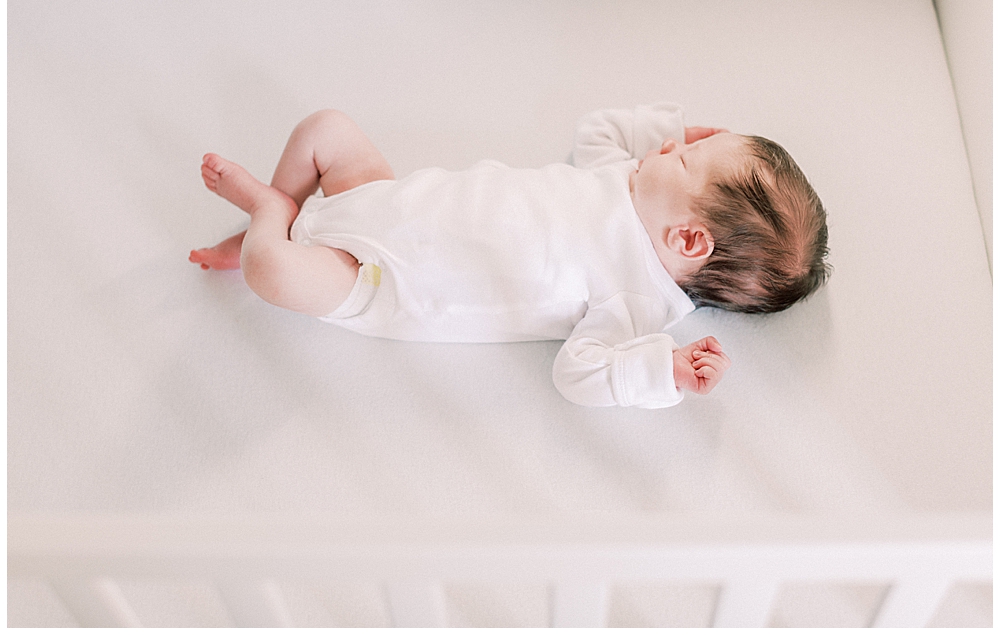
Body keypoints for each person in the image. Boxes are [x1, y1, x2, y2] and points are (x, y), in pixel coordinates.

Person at [190, 104, 830, 408]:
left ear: (688, 241)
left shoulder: (636, 302)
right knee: (324, 129)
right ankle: (272, 215)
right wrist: (670, 132)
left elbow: (579, 375)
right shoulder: (627, 177)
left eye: (684, 160)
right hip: (387, 198)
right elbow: (595, 132)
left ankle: (270, 221)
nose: (667, 152)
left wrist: (661, 372)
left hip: (384, 282)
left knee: (269, 271)